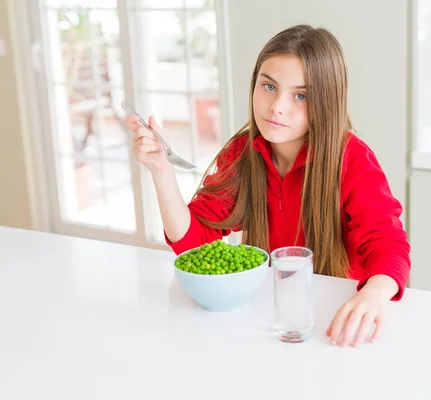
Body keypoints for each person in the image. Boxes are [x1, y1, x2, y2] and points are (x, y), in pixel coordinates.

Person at [126, 24, 411, 347]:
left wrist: (373, 295)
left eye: (300, 95)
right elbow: (194, 245)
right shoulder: (242, 153)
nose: (277, 106)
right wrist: (161, 171)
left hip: (338, 324)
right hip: (269, 318)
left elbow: (388, 246)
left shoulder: (353, 160)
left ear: (327, 103)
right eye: (269, 86)